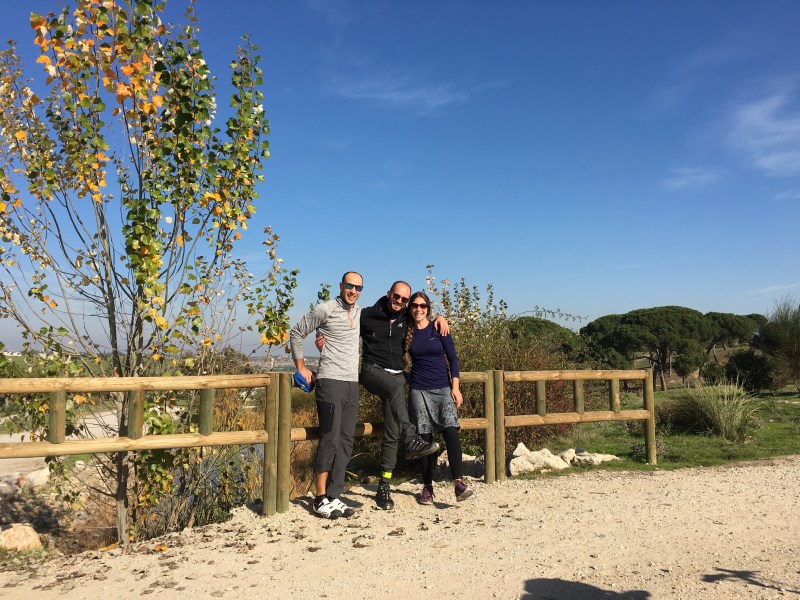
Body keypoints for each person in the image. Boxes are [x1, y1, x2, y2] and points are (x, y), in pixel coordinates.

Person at [317, 280, 447, 511]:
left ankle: (384, 486)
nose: (400, 302)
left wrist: (440, 318)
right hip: (372, 371)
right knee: (396, 393)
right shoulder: (367, 315)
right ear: (388, 294)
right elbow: (339, 324)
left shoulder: (407, 316)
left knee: (391, 432)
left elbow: (424, 317)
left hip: (396, 376)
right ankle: (411, 438)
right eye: (396, 296)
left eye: (404, 299)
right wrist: (321, 336)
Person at [289, 271, 364, 519]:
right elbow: (297, 333)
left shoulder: (359, 312)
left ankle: (334, 495)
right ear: (341, 285)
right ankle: (319, 498)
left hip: (352, 382)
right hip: (330, 381)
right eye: (350, 286)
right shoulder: (326, 309)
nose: (353, 291)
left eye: (358, 288)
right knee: (330, 438)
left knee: (346, 441)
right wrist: (301, 367)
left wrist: (435, 316)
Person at [404, 291, 474, 505]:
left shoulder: (438, 327)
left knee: (451, 432)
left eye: (423, 306)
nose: (418, 309)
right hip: (418, 390)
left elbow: (453, 359)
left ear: (428, 308)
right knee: (424, 440)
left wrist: (456, 387)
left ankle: (458, 484)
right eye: (415, 305)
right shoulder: (405, 331)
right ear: (410, 308)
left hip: (443, 388)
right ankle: (427, 488)